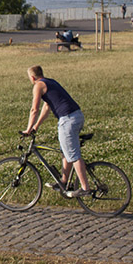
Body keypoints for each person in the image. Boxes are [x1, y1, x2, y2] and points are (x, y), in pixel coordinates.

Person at [21, 65, 90, 197]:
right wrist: (36, 127)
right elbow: (47, 107)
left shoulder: (38, 86)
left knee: (73, 155)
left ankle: (85, 188)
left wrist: (28, 129)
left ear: (32, 77)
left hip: (67, 119)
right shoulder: (50, 82)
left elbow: (34, 110)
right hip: (76, 115)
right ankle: (63, 182)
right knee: (65, 151)